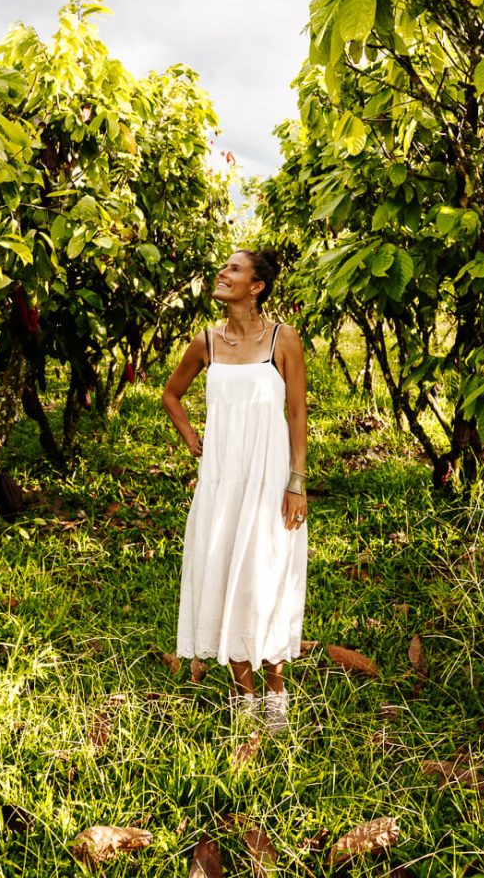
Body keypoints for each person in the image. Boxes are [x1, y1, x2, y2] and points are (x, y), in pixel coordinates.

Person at [162, 247, 308, 735]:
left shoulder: (283, 340)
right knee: (224, 574)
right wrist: (192, 440)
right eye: (223, 267)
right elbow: (171, 392)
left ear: (257, 285)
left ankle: (276, 693)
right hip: (222, 482)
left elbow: (297, 415)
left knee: (263, 579)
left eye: (234, 269)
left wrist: (297, 482)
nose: (222, 274)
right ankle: (245, 699)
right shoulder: (205, 341)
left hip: (269, 482)